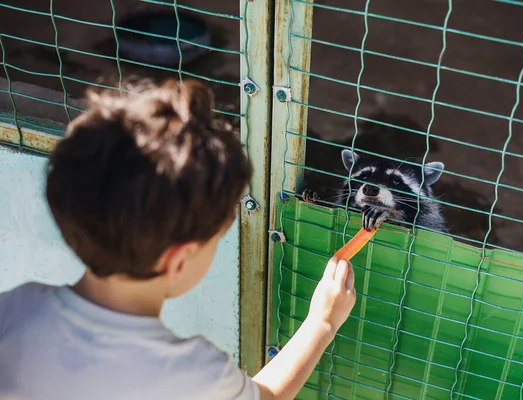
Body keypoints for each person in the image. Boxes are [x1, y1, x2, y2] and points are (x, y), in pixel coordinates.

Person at [0, 77, 356, 400]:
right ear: (179, 259)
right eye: (217, 238)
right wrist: (322, 322)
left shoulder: (13, 311)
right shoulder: (192, 373)